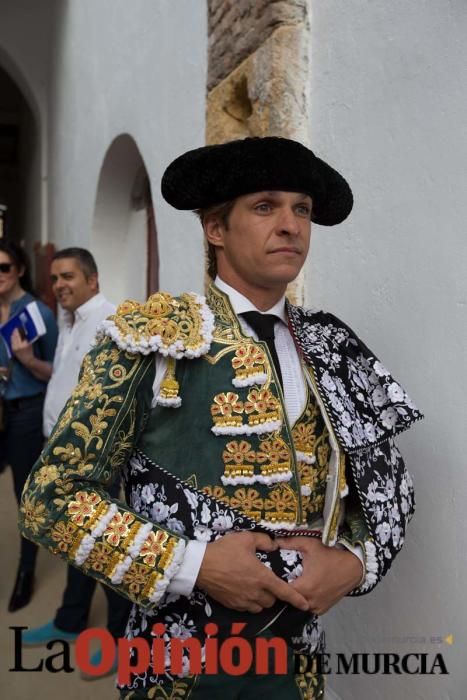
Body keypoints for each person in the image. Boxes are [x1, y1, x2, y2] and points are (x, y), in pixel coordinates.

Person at [20, 137, 422, 699]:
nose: (291, 225)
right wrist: (194, 565)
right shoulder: (153, 337)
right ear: (215, 229)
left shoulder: (332, 348)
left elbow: (389, 492)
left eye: (301, 209)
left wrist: (353, 563)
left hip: (296, 657)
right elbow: (51, 497)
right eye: (265, 207)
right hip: (176, 659)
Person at [21, 247, 132, 676]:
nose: (60, 285)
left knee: (106, 545)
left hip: (94, 457)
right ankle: (71, 621)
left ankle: (124, 642)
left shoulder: (110, 322)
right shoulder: (68, 321)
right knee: (74, 541)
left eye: (68, 276)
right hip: (61, 450)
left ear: (93, 280)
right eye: (54, 279)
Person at [0, 239, 58, 612]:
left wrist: (24, 358)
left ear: (19, 269)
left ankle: (26, 571)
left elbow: (56, 370)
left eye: (4, 267)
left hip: (24, 414)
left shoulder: (36, 312)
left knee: (26, 496)